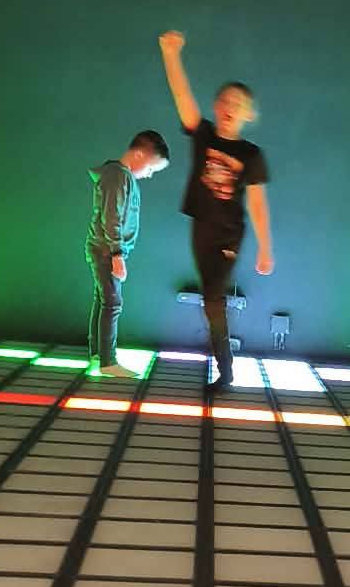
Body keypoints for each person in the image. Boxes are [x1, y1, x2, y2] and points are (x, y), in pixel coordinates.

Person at [158, 32, 273, 392]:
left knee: (213, 297)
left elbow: (257, 203)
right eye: (224, 100)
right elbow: (182, 97)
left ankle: (226, 371)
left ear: (248, 114)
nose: (229, 106)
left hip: (228, 234)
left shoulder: (250, 154)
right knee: (211, 300)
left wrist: (265, 248)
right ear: (215, 106)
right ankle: (225, 367)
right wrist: (171, 54)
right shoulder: (204, 135)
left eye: (237, 103)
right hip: (201, 228)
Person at [85, 131, 171, 379]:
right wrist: (117, 254)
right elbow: (111, 216)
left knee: (103, 300)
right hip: (105, 251)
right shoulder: (118, 176)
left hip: (104, 249)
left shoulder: (118, 176)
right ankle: (108, 362)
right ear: (140, 154)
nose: (150, 174)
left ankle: (98, 354)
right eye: (151, 168)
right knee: (112, 303)